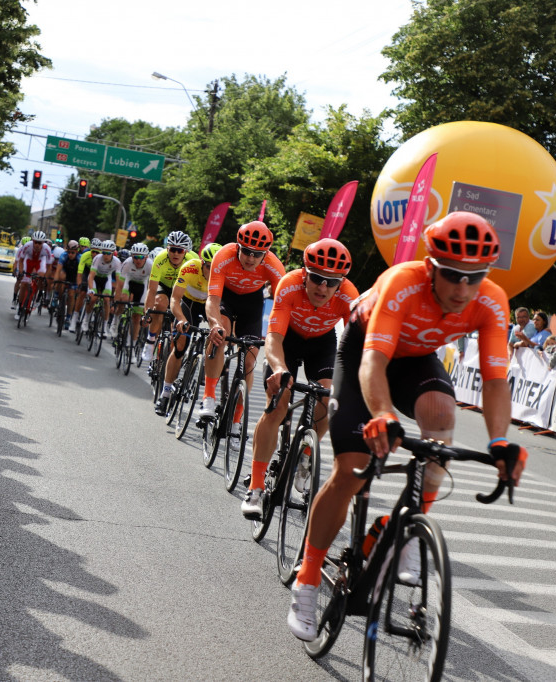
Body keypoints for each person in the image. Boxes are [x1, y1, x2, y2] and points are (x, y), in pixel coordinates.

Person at [286, 212, 527, 642]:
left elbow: (494, 381)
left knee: (441, 417)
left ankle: (404, 526)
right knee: (352, 468)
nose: (463, 289)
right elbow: (373, 363)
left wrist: (500, 441)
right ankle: (307, 578)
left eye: (475, 277)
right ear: (431, 268)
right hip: (365, 353)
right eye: (453, 275)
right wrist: (384, 415)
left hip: (415, 359)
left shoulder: (490, 301)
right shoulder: (404, 282)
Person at [241, 239, 358, 519]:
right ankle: (256, 488)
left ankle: (305, 456)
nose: (323, 288)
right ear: (305, 274)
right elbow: (274, 337)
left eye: (332, 282)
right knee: (277, 406)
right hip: (288, 341)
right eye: (317, 279)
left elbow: (358, 347)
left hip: (323, 344)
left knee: (330, 398)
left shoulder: (349, 295)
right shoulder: (290, 284)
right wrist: (279, 368)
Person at [199, 222, 285, 426]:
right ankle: (208, 398)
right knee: (221, 335)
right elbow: (212, 300)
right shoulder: (224, 255)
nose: (251, 258)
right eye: (246, 252)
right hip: (226, 299)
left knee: (249, 362)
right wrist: (213, 324)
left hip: (252, 305)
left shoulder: (274, 266)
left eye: (257, 254)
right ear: (238, 247)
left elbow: (282, 307)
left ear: (266, 254)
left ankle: (236, 421)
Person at [154, 243, 222, 416]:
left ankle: (204, 366)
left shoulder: (223, 275)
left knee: (219, 336)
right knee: (180, 345)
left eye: (215, 268)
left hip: (209, 306)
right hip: (188, 304)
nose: (211, 272)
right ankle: (166, 392)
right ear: (201, 263)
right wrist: (182, 320)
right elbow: (175, 299)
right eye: (208, 267)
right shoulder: (189, 268)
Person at [142, 232, 198, 362]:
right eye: (173, 249)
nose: (176, 254)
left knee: (177, 332)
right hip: (164, 287)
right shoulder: (160, 259)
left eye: (180, 250)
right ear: (167, 249)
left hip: (181, 290)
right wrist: (147, 313)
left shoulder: (193, 260)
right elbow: (151, 290)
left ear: (186, 251)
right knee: (160, 303)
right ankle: (150, 342)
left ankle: (167, 362)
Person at [113, 242, 153, 347]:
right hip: (128, 282)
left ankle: (132, 343)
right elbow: (120, 284)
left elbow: (152, 287)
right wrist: (117, 299)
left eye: (141, 257)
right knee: (123, 298)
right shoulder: (127, 263)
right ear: (132, 256)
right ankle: (116, 320)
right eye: (135, 257)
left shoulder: (150, 265)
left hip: (142, 285)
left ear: (146, 257)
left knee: (137, 317)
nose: (138, 260)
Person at [84, 240, 121, 334]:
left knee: (107, 300)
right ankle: (86, 320)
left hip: (106, 279)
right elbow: (91, 276)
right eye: (104, 252)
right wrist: (91, 289)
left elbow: (118, 281)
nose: (106, 255)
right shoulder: (97, 258)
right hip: (95, 278)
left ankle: (104, 326)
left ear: (113, 253)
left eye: (108, 253)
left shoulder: (117, 262)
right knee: (93, 299)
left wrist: (117, 292)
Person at [14, 231, 53, 319]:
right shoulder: (27, 245)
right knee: (23, 284)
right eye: (35, 242)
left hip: (40, 261)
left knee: (41, 276)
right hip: (29, 261)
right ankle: (20, 307)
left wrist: (45, 278)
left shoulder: (47, 249)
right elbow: (21, 261)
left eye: (40, 243)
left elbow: (49, 266)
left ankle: (37, 296)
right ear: (32, 241)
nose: (37, 245)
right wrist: (20, 272)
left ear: (43, 243)